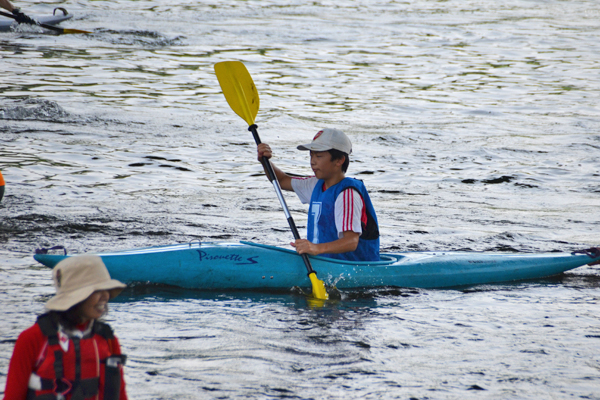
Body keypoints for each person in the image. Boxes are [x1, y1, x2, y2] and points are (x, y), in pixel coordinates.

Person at [3, 255, 129, 400]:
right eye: (97, 291)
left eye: (106, 289)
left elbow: (121, 396)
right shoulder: (32, 339)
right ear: (76, 298)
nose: (105, 296)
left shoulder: (108, 339)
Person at [257, 128, 380, 262]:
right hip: (322, 262)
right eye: (311, 155)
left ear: (339, 160)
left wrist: (316, 248)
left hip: (353, 267)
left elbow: (351, 242)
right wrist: (265, 161)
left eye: (319, 156)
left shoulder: (347, 194)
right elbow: (281, 180)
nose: (312, 161)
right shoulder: (315, 184)